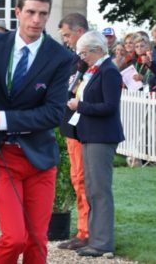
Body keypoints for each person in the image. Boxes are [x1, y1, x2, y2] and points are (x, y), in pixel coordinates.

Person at [0, 0, 73, 264]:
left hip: (40, 160)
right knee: (15, 237)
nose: (36, 20)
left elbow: (53, 113)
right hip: (3, 156)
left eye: (43, 14)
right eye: (31, 12)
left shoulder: (60, 57)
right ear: (18, 12)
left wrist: (1, 119)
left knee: (37, 240)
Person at [67, 30, 124, 258]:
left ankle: (103, 243)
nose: (81, 57)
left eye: (84, 52)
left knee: (99, 191)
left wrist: (79, 106)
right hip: (90, 135)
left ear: (97, 50)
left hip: (102, 137)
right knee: (91, 189)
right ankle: (94, 238)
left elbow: (109, 106)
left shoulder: (109, 71)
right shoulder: (96, 70)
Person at [57, 13, 91, 251]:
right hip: (71, 126)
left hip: (83, 129)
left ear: (80, 32)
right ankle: (83, 230)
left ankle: (86, 232)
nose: (66, 40)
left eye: (68, 35)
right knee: (77, 179)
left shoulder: (89, 63)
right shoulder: (73, 61)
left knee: (82, 180)